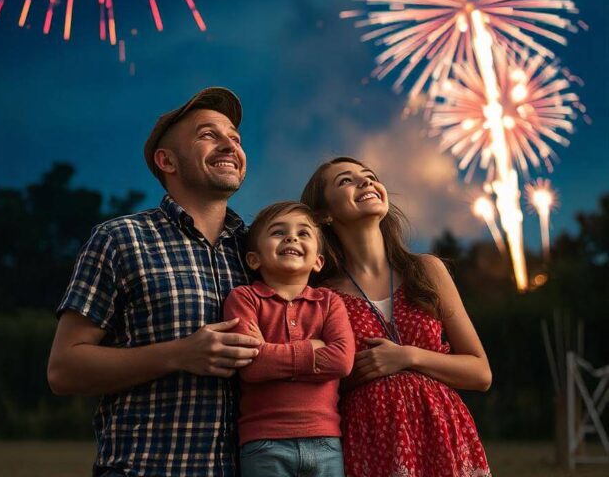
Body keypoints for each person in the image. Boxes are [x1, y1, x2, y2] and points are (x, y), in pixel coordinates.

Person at [47, 87, 261, 477]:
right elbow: (64, 369)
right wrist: (179, 354)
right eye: (208, 134)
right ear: (167, 161)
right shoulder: (120, 239)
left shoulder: (258, 252)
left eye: (235, 138)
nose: (230, 145)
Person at [301, 157, 493, 477]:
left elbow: (480, 373)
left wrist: (407, 356)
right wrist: (352, 377)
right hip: (370, 441)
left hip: (441, 436)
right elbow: (315, 386)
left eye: (370, 176)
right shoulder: (321, 294)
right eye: (345, 180)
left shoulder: (426, 270)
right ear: (324, 214)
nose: (366, 182)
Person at [223, 201, 355, 477]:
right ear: (254, 259)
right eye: (278, 232)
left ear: (318, 261)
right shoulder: (244, 298)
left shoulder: (330, 302)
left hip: (326, 440)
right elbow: (252, 366)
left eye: (303, 233)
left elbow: (342, 361)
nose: (291, 238)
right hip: (264, 442)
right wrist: (313, 349)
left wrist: (270, 352)